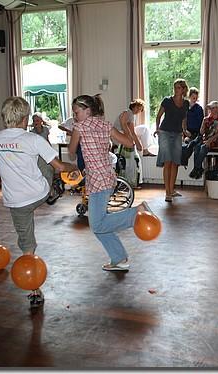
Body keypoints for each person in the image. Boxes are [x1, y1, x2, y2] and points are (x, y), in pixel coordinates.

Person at [0, 97, 78, 308]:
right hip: (39, 192)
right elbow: (58, 167)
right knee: (44, 158)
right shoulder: (33, 139)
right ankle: (54, 190)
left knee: (27, 244)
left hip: (16, 201)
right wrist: (74, 167)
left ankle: (34, 290)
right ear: (25, 117)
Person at [68, 94, 153, 272]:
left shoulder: (79, 127)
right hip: (108, 177)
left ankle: (136, 213)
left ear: (87, 110)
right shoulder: (105, 125)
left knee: (97, 224)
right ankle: (118, 258)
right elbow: (129, 143)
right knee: (100, 225)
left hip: (98, 181)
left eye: (76, 112)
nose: (75, 116)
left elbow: (71, 152)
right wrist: (124, 127)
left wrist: (73, 139)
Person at [155, 79, 190, 202]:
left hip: (177, 134)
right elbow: (158, 116)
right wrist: (157, 129)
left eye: (179, 87)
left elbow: (184, 119)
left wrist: (185, 131)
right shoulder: (167, 101)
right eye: (175, 87)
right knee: (168, 161)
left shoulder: (186, 103)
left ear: (184, 89)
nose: (176, 90)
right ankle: (167, 193)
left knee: (175, 162)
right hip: (164, 132)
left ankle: (172, 190)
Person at [189, 100, 218, 179]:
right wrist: (203, 123)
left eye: (215, 108)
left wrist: (210, 140)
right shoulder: (206, 119)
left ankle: (196, 168)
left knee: (203, 148)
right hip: (204, 140)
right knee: (196, 148)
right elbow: (201, 132)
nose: (214, 110)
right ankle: (198, 168)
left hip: (214, 141)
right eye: (212, 108)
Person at [113, 99, 145, 187]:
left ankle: (129, 180)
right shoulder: (127, 113)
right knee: (128, 158)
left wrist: (138, 143)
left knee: (132, 158)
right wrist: (131, 140)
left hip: (122, 137)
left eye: (141, 109)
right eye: (139, 108)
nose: (139, 111)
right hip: (118, 136)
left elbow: (132, 132)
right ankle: (125, 180)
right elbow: (124, 126)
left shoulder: (131, 116)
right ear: (135, 106)